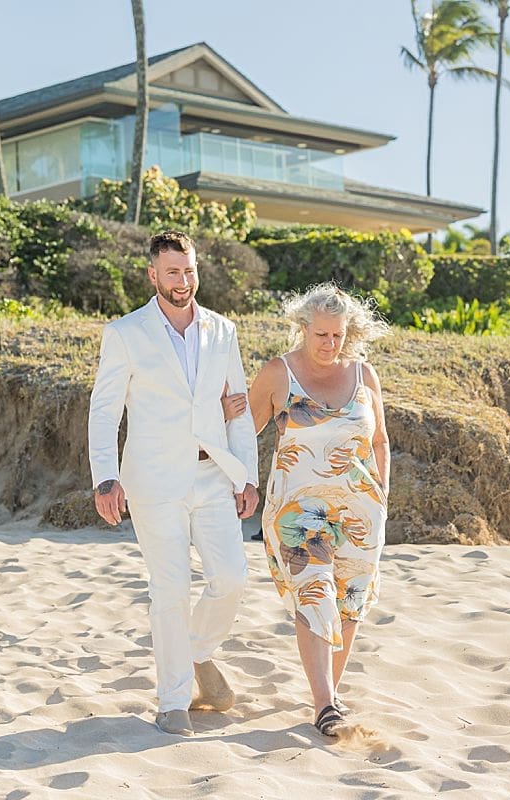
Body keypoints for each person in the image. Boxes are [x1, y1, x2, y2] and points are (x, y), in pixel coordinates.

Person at [87, 230, 259, 737]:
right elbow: (104, 410)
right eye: (172, 272)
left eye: (189, 270)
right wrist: (105, 478)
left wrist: (247, 475)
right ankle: (173, 700)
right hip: (153, 481)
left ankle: (198, 651)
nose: (183, 281)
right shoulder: (125, 333)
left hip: (212, 476)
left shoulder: (223, 330)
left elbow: (239, 409)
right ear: (152, 275)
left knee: (231, 578)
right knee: (171, 588)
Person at [223, 283, 390, 737]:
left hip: (361, 510)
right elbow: (243, 433)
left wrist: (383, 495)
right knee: (315, 594)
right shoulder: (279, 374)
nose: (329, 344)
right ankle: (325, 705)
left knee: (350, 602)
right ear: (303, 328)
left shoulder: (364, 375)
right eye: (321, 335)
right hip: (297, 511)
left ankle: (327, 696)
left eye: (337, 336)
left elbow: (379, 441)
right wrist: (242, 480)